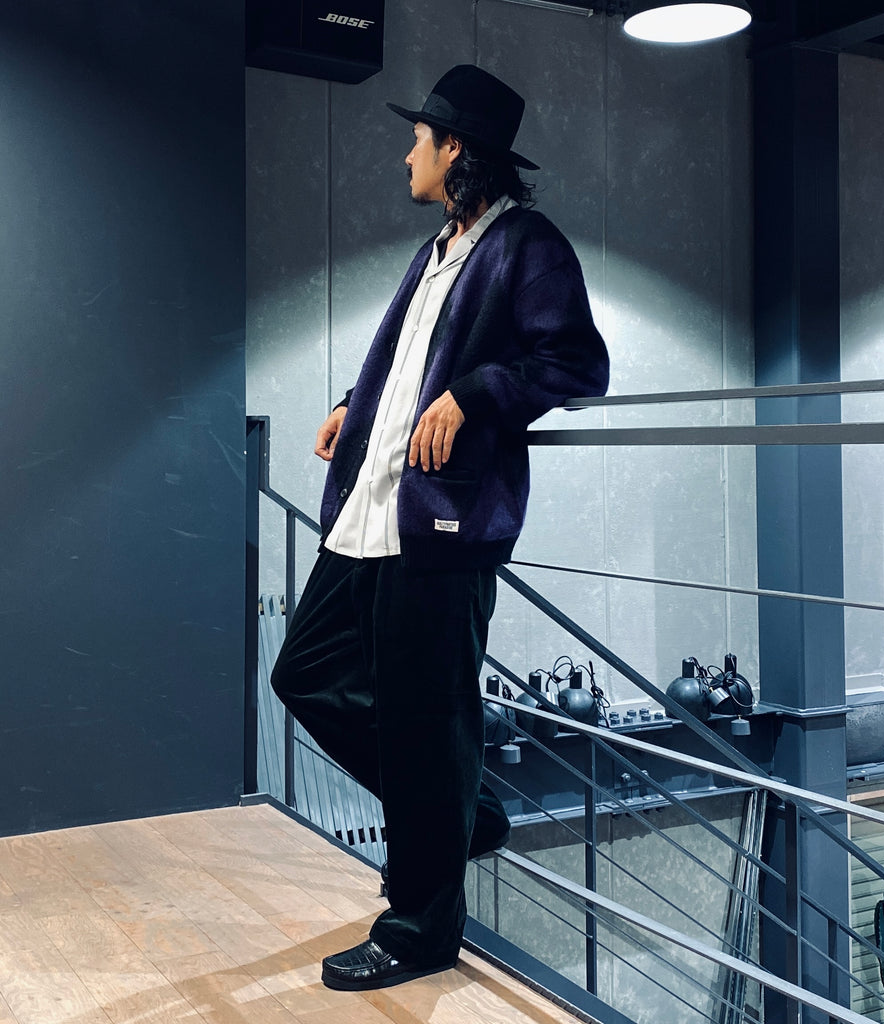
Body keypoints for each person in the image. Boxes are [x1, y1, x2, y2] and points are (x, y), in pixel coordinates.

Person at [271, 64, 610, 992]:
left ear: (455, 148)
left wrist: (478, 392)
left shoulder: (527, 245)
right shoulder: (439, 250)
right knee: (305, 672)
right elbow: (411, 361)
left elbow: (577, 364)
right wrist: (358, 403)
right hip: (372, 507)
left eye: (418, 138)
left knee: (428, 720)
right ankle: (461, 811)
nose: (406, 153)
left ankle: (420, 930)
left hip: (442, 523)